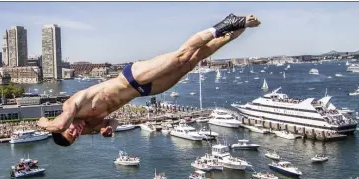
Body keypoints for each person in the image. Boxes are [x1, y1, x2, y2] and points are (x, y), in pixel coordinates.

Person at [38, 13, 261, 146]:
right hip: (143, 91)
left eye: (70, 132)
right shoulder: (87, 128)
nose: (76, 133)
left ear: (61, 127)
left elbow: (58, 123)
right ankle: (233, 32)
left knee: (180, 56)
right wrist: (110, 129)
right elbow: (113, 122)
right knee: (190, 64)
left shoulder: (70, 107)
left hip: (130, 77)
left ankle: (225, 23)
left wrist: (45, 124)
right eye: (74, 138)